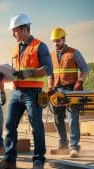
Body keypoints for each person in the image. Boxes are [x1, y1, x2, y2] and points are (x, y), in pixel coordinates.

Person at [0, 13, 53, 169]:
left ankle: (38, 160)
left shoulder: (40, 46)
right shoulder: (15, 49)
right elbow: (15, 73)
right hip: (16, 92)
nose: (13, 34)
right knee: (9, 125)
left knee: (36, 126)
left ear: (24, 29)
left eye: (15, 31)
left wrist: (29, 73)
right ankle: (9, 160)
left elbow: (48, 68)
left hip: (33, 94)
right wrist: (3, 76)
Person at [48, 27, 89, 158]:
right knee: (58, 119)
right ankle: (63, 145)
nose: (55, 43)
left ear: (64, 39)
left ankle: (74, 147)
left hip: (72, 89)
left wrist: (80, 81)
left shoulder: (74, 53)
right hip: (57, 90)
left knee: (72, 118)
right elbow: (50, 74)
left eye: (58, 40)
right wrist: (50, 86)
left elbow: (85, 69)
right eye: (54, 41)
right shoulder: (51, 55)